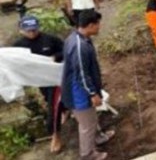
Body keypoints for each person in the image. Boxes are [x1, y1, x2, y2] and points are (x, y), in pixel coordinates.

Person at [61, 10, 114, 160]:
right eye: (98, 24)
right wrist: (92, 93)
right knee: (87, 125)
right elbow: (82, 74)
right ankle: (88, 154)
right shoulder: (80, 47)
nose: (99, 27)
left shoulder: (78, 37)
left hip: (79, 87)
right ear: (90, 25)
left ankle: (97, 137)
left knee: (91, 118)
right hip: (78, 93)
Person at [13, 16, 65, 153]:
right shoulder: (18, 46)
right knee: (50, 101)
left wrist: (56, 57)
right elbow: (14, 62)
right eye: (28, 31)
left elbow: (65, 50)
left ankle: (55, 136)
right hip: (39, 81)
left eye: (34, 30)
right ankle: (65, 111)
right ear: (21, 30)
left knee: (52, 107)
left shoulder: (50, 39)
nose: (32, 33)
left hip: (54, 79)